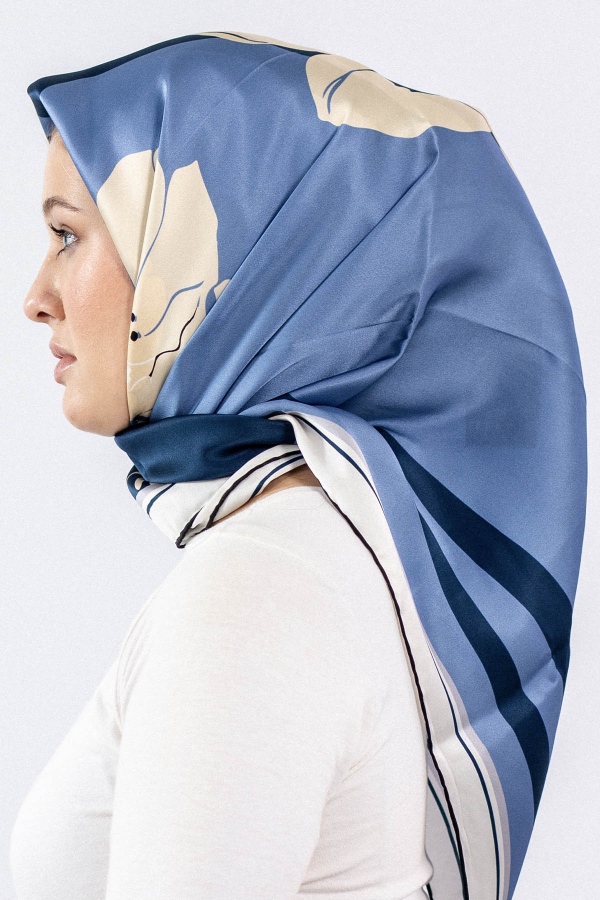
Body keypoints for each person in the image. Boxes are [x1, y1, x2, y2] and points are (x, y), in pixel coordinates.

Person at [10, 31, 586, 900]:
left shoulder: (258, 594)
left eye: (67, 235)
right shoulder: (338, 553)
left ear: (233, 256)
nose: (36, 297)